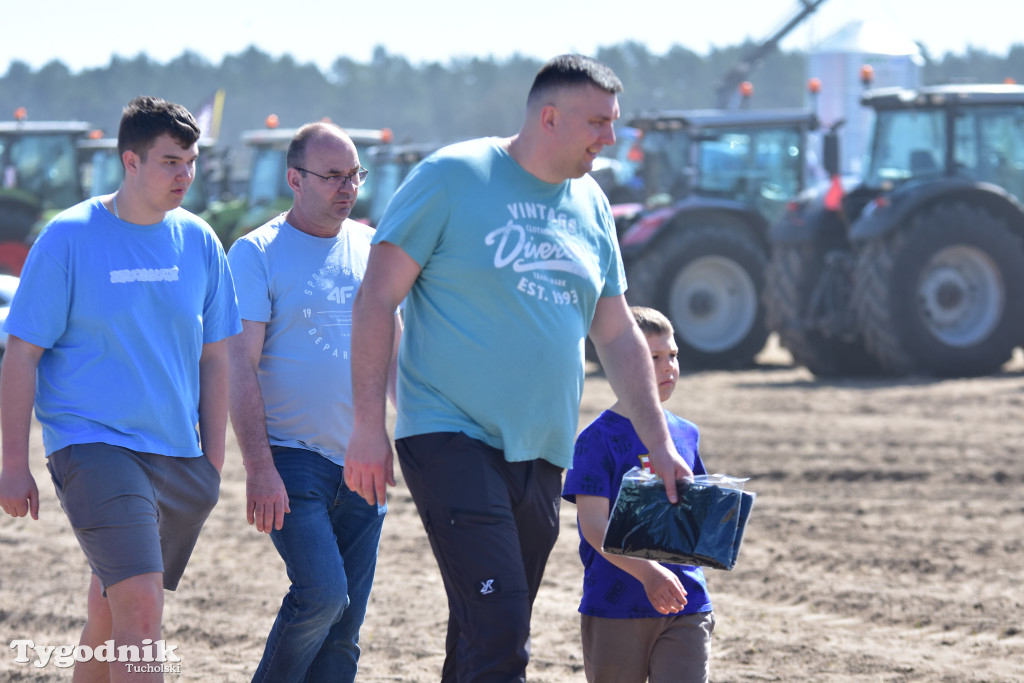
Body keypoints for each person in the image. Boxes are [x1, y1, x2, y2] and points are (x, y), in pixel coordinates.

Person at [345, 54, 695, 682]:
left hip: (541, 451)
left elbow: (616, 335)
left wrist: (659, 441)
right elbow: (376, 297)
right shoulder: (453, 177)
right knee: (503, 631)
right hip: (449, 436)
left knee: (484, 630)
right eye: (598, 122)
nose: (610, 138)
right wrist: (368, 426)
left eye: (614, 123)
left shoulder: (590, 204)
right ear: (550, 117)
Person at [0, 95, 240, 682]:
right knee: (142, 611)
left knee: (109, 610)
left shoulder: (201, 241)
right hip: (94, 446)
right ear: (129, 162)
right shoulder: (68, 237)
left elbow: (216, 358)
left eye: (190, 161)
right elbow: (21, 354)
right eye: (169, 162)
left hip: (179, 454)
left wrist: (213, 457)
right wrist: (11, 463)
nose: (185, 174)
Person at [226, 121, 400, 683]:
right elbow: (238, 367)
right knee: (323, 596)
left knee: (345, 632)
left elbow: (393, 350)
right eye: (333, 176)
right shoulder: (255, 254)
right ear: (294, 179)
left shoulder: (373, 246)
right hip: (292, 457)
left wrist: (416, 440)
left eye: (354, 175)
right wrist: (259, 468)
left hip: (362, 460)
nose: (348, 187)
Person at [563, 306, 714, 683]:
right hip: (616, 604)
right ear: (621, 364)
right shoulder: (595, 440)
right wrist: (649, 574)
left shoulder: (686, 434)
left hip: (686, 601)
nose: (668, 367)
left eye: (673, 355)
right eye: (653, 358)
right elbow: (594, 527)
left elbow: (693, 516)